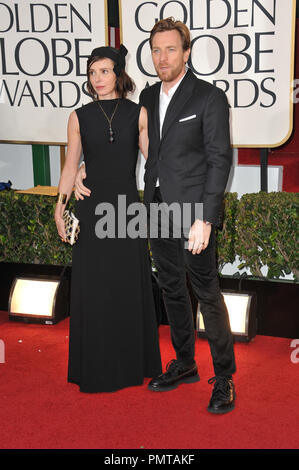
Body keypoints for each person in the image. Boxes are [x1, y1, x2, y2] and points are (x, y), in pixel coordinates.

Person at [75, 19, 236, 414]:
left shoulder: (208, 97)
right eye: (156, 50)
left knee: (207, 291)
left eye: (170, 49)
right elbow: (122, 143)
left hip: (194, 211)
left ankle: (225, 378)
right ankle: (184, 363)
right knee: (171, 289)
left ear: (186, 52)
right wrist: (82, 169)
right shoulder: (145, 97)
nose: (162, 57)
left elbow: (219, 160)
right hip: (157, 208)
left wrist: (207, 218)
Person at [54, 45, 162, 393]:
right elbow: (71, 165)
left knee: (127, 285)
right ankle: (97, 366)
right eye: (92, 72)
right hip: (92, 210)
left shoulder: (138, 113)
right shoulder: (79, 117)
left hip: (127, 212)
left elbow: (154, 162)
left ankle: (133, 364)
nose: (97, 79)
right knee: (95, 289)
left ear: (118, 74)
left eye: (104, 71)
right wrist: (60, 205)